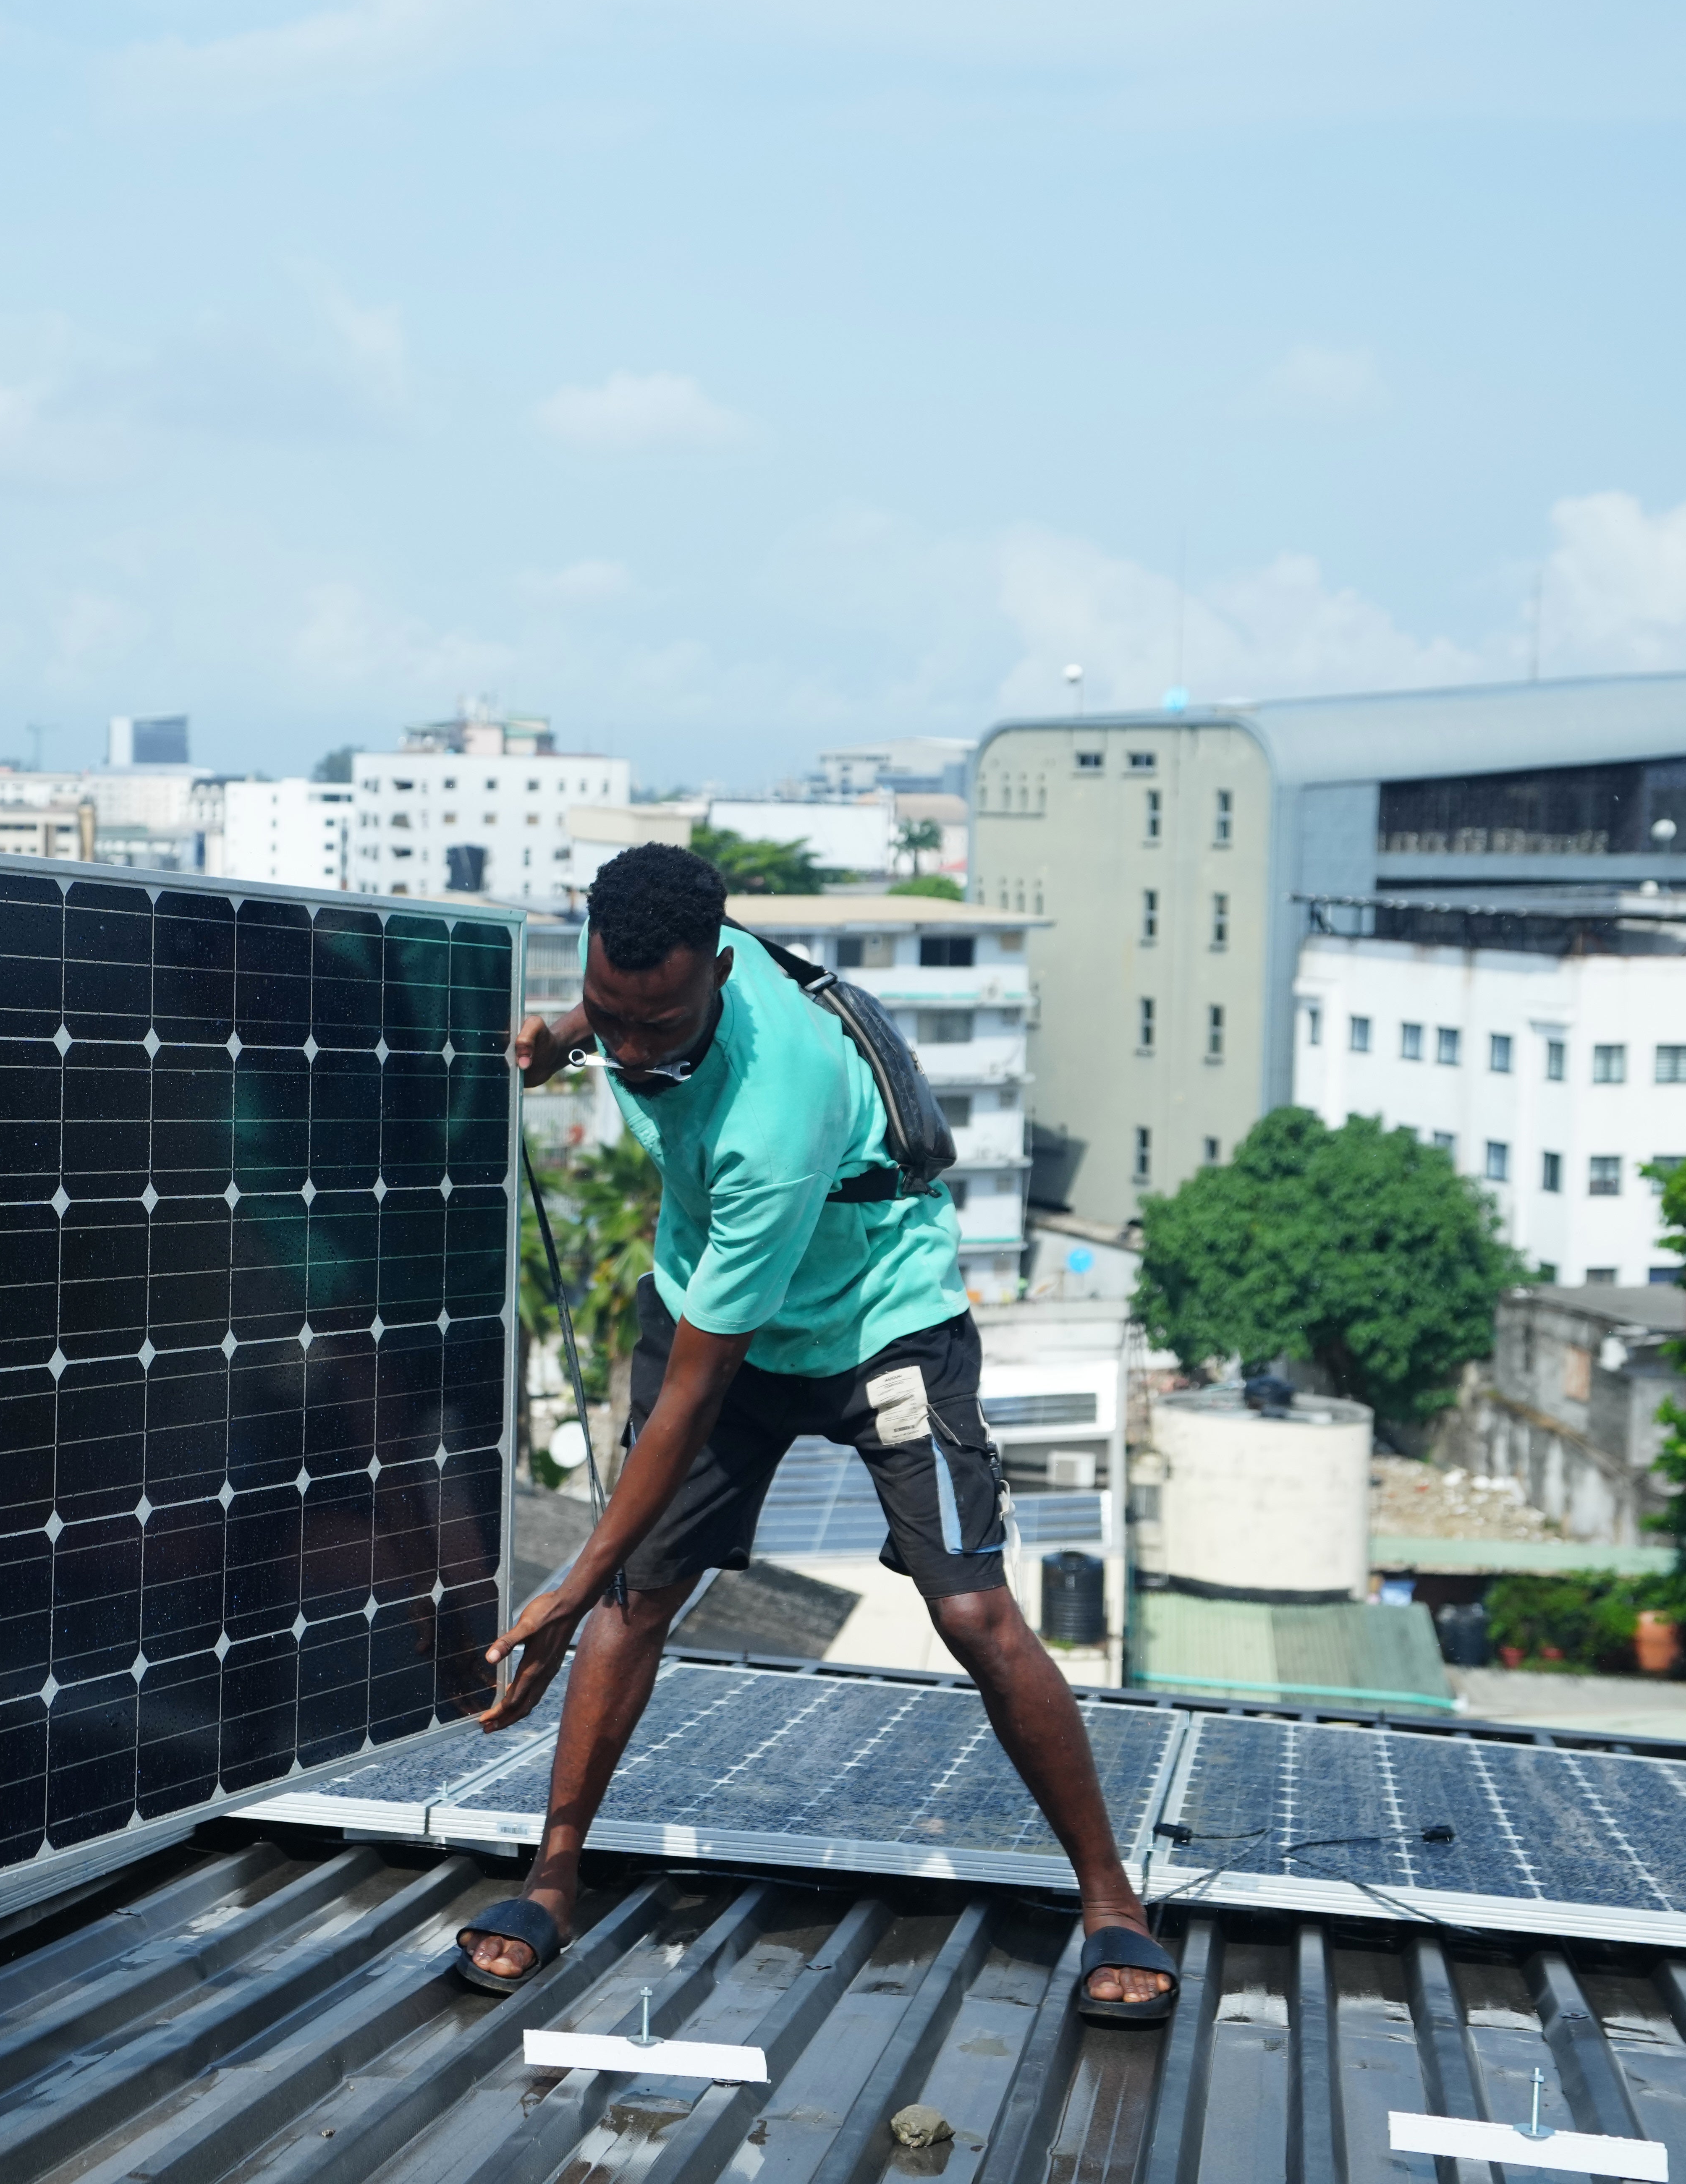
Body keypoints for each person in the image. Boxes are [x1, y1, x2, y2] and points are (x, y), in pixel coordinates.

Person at [460, 844, 1174, 2024]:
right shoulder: (665, 961)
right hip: (716, 1299)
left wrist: (572, 1581)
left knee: (971, 1609)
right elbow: (622, 1013)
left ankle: (1110, 1899)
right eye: (613, 1015)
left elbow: (691, 1400)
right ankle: (552, 1874)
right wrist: (561, 1034)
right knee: (646, 1592)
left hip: (875, 1322)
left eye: (662, 1025)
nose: (636, 1050)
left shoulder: (772, 1109)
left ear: (718, 986)